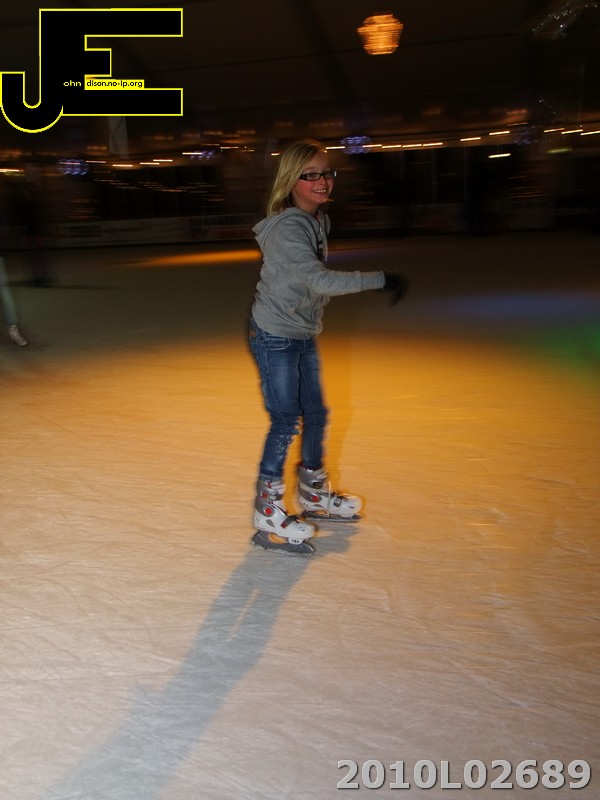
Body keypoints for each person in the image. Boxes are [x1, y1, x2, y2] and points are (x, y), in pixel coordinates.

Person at [248, 139, 407, 556]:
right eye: (311, 175)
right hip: (275, 334)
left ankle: (314, 492)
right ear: (291, 180)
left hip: (301, 330)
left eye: (327, 172)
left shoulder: (318, 220)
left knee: (317, 414)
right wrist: (380, 278)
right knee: (286, 420)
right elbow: (319, 280)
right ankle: (268, 508)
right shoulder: (289, 228)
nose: (323, 181)